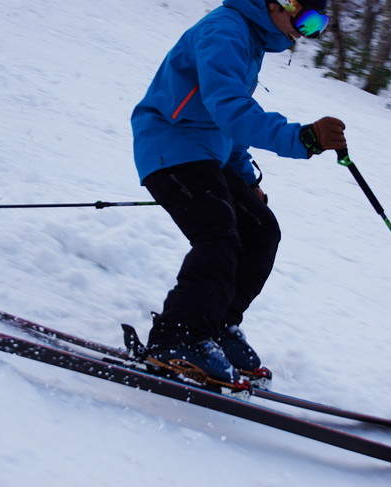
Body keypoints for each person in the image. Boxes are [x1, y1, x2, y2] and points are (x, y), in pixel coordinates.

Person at [130, 0, 346, 389]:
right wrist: (302, 137)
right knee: (219, 235)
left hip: (206, 155)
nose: (307, 32)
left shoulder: (249, 39)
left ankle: (216, 326)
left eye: (319, 25)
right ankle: (177, 336)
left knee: (261, 230)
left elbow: (225, 124)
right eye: (306, 20)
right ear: (279, 3)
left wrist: (246, 181)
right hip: (170, 146)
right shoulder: (225, 31)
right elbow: (229, 108)